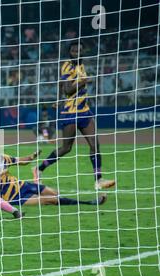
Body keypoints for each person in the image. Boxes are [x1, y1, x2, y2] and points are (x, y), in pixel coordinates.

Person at [33, 41, 115, 190]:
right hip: (70, 113)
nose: (76, 53)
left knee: (95, 145)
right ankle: (39, 169)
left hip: (84, 111)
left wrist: (57, 99)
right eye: (74, 51)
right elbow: (67, 89)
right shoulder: (67, 66)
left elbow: (60, 84)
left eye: (79, 51)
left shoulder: (81, 66)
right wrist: (82, 82)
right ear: (69, 52)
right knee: (66, 148)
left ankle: (98, 180)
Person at [0, 126, 107, 207]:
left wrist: (32, 157)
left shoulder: (2, 158)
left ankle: (74, 202)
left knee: (53, 193)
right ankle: (89, 203)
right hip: (13, 198)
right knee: (48, 200)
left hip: (23, 185)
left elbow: (21, 161)